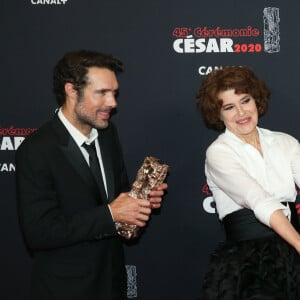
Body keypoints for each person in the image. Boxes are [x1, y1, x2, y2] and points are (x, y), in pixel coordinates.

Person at [15, 50, 168, 300]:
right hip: (65, 290)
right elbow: (38, 232)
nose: (113, 103)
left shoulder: (107, 135)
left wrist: (138, 204)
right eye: (102, 93)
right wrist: (111, 213)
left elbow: (116, 205)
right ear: (72, 91)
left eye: (114, 93)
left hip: (112, 286)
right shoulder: (37, 149)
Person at [196, 66, 300, 300]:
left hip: (292, 255)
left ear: (257, 100)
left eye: (245, 100)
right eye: (229, 107)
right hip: (247, 263)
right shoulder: (219, 152)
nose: (241, 112)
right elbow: (259, 200)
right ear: (218, 113)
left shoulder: (286, 142)